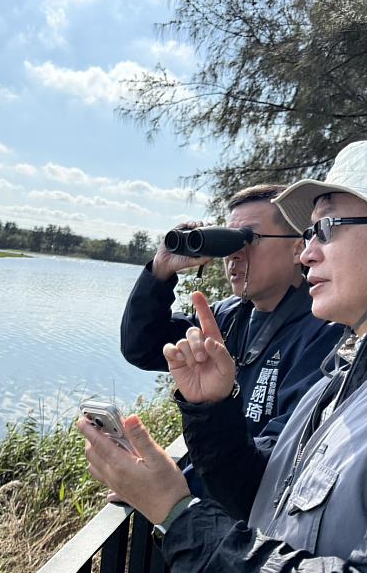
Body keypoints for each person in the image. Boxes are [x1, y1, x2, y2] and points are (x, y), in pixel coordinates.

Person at [79, 139, 367, 573]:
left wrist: (178, 514)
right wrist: (213, 411)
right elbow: (263, 495)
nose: (307, 253)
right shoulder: (355, 370)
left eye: (328, 229)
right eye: (308, 234)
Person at [120, 184, 343, 439]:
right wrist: (160, 271)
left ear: (297, 249)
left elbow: (278, 453)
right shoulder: (226, 317)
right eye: (229, 239)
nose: (234, 253)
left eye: (249, 239)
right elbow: (142, 349)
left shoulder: (323, 334)